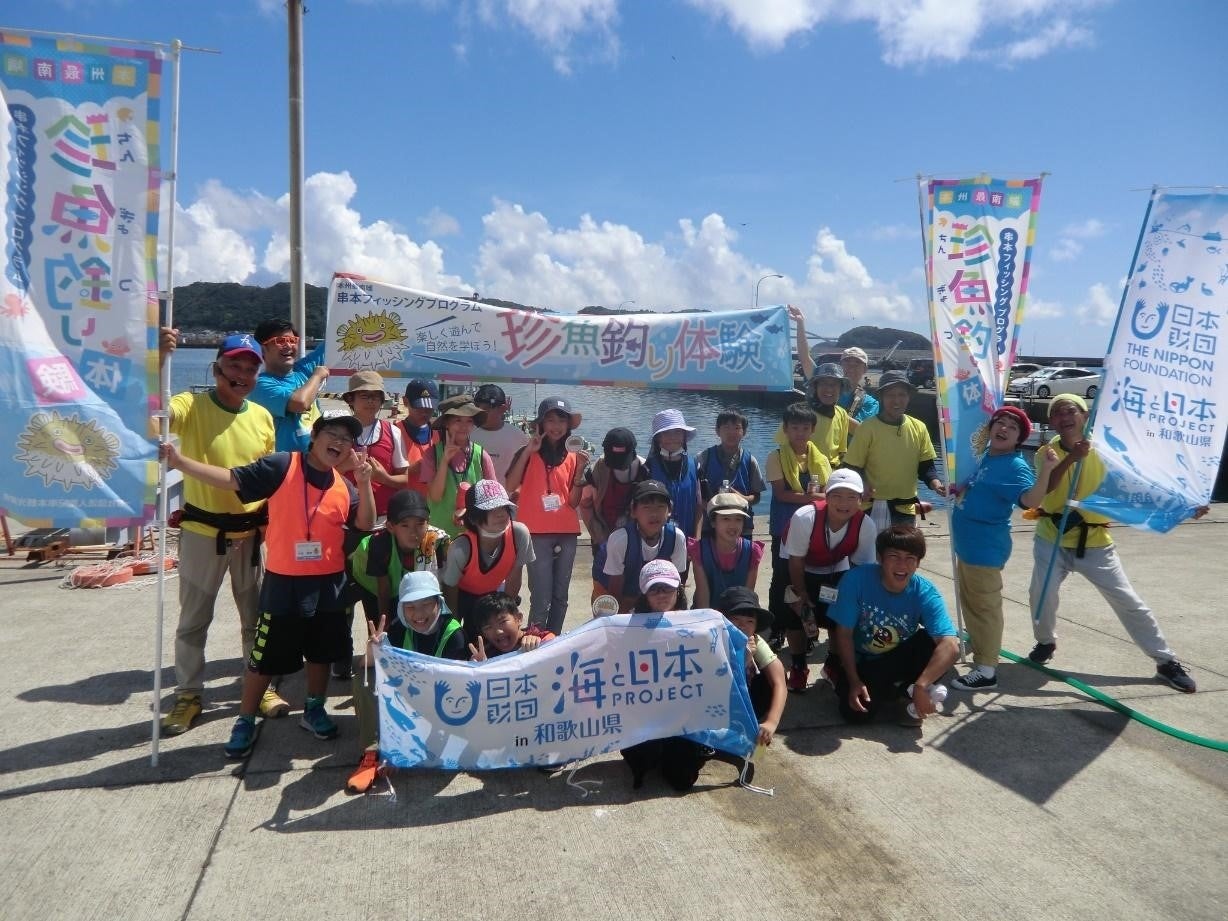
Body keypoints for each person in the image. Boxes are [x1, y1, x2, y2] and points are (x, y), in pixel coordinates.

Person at [161, 414, 377, 759]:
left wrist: (364, 483)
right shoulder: (283, 465)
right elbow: (232, 480)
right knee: (263, 659)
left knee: (320, 653)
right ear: (315, 436)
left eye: (347, 439)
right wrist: (179, 460)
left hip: (329, 583)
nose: (339, 442)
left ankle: (313, 708)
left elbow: (365, 523)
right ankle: (245, 718)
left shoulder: (344, 486)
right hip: (284, 582)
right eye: (331, 434)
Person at [157, 332, 289, 735]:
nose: (243, 375)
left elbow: (266, 479)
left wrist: (270, 527)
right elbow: (155, 412)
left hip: (250, 534)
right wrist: (159, 359)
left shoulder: (262, 417)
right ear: (216, 370)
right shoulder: (190, 404)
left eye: (251, 368)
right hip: (202, 531)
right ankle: (189, 694)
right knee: (194, 620)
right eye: (234, 366)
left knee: (255, 619)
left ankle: (259, 684)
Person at [1026, 394, 1197, 693]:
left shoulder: (1108, 449)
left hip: (1094, 541)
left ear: (1085, 415)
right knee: (1041, 595)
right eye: (1057, 413)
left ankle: (1165, 661)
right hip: (1052, 537)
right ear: (1051, 421)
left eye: (1071, 411)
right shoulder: (1046, 452)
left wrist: (1186, 504)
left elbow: (1143, 480)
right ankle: (1045, 642)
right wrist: (1071, 458)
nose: (1064, 417)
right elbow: (1047, 489)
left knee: (1128, 601)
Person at [949, 407, 1056, 691]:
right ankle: (976, 640)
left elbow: (1030, 500)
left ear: (1019, 438)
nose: (1004, 429)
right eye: (1000, 423)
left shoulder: (1013, 465)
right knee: (971, 601)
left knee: (986, 608)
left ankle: (987, 670)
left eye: (1012, 427)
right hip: (968, 546)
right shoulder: (987, 456)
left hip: (985, 548)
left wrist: (1045, 471)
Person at [347, 570, 467, 793]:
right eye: (410, 607)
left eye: (425, 605)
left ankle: (404, 748)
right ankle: (372, 753)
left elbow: (456, 693)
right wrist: (374, 649)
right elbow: (364, 667)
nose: (418, 614)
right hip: (410, 703)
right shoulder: (400, 626)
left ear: (438, 603)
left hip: (441, 712)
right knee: (366, 678)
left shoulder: (454, 635)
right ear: (402, 608)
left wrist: (402, 747)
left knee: (444, 759)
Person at [828, 526, 959, 725]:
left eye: (910, 558)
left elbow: (950, 645)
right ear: (879, 558)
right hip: (863, 663)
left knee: (933, 644)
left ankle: (912, 694)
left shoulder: (925, 592)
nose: (902, 565)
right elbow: (843, 633)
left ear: (918, 563)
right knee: (855, 715)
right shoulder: (856, 580)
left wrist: (921, 686)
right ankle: (895, 690)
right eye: (894, 556)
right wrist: (854, 680)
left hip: (898, 656)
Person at [782, 468, 877, 691]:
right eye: (837, 496)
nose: (844, 503)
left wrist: (855, 600)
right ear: (826, 495)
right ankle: (798, 666)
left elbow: (862, 568)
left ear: (861, 499)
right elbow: (795, 561)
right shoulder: (805, 517)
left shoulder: (866, 525)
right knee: (795, 614)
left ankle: (832, 664)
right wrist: (802, 594)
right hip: (800, 565)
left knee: (841, 617)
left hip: (837, 567)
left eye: (852, 497)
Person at [619, 558, 707, 791]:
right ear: (644, 594)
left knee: (683, 779)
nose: (661, 594)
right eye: (654, 589)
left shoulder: (697, 624)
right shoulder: (628, 625)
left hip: (682, 716)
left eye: (667, 588)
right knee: (642, 762)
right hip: (643, 712)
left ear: (678, 590)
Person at [505, 398, 588, 635]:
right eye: (550, 420)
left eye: (561, 420)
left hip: (567, 532)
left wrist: (581, 470)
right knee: (540, 593)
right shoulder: (527, 451)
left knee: (561, 595)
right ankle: (535, 640)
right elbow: (510, 485)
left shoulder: (574, 456)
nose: (556, 426)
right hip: (535, 533)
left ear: (568, 425)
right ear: (540, 424)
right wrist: (528, 451)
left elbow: (573, 502)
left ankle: (554, 640)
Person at [765, 402, 832, 688]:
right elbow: (781, 494)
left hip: (813, 530)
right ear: (786, 429)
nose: (800, 433)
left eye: (805, 428)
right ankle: (779, 629)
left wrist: (817, 498)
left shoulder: (820, 457)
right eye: (794, 427)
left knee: (807, 582)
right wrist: (815, 499)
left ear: (813, 430)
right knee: (783, 583)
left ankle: (806, 630)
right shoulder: (776, 456)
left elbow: (829, 490)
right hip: (785, 529)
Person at [843, 369, 945, 527]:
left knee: (900, 552)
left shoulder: (919, 427)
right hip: (870, 507)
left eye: (902, 395)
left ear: (909, 397)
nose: (896, 400)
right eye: (890, 395)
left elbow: (926, 467)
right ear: (881, 397)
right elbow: (851, 467)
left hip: (905, 508)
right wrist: (863, 483)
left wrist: (936, 484)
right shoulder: (867, 428)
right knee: (871, 551)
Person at [440, 479, 534, 641]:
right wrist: (454, 629)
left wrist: (506, 615)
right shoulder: (461, 547)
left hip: (492, 595)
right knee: (461, 640)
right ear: (474, 518)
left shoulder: (519, 534)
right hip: (461, 596)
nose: (501, 513)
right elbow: (450, 589)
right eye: (491, 509)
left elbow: (514, 578)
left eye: (504, 506)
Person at [347, 489, 451, 629]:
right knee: (380, 626)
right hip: (372, 584)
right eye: (405, 525)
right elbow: (383, 591)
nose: (413, 532)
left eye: (420, 524)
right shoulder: (379, 545)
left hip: (405, 582)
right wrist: (384, 627)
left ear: (428, 522)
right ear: (390, 527)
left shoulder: (436, 542)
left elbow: (443, 584)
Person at [596, 480, 690, 613]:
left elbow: (677, 587)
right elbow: (615, 594)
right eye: (646, 507)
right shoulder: (620, 540)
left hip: (654, 597)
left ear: (670, 510)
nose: (654, 514)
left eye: (660, 507)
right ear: (633, 511)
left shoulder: (677, 538)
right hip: (620, 595)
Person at [714, 586, 786, 748]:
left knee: (771, 678)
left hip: (745, 700)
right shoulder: (711, 640)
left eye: (749, 622)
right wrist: (743, 660)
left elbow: (780, 681)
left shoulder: (755, 641)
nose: (742, 627)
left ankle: (755, 720)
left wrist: (771, 722)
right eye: (736, 620)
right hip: (717, 703)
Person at [420, 393, 498, 536]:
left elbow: (492, 498)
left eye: (469, 421)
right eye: (458, 420)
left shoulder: (481, 455)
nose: (464, 426)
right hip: (439, 535)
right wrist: (444, 461)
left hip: (473, 534)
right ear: (447, 423)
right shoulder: (432, 454)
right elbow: (435, 497)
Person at [251, 318, 328, 452]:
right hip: (285, 467)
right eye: (280, 341)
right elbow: (299, 403)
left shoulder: (303, 370)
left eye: (292, 341)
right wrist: (317, 376)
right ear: (262, 349)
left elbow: (335, 342)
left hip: (316, 464)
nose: (288, 346)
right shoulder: (259, 386)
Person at [341, 370, 408, 519]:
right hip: (343, 516)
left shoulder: (393, 431)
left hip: (383, 519)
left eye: (376, 397)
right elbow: (321, 472)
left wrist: (383, 477)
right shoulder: (337, 431)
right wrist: (344, 466)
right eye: (365, 396)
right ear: (351, 399)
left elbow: (404, 479)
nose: (371, 401)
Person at [695, 408, 766, 537]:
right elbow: (695, 493)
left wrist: (742, 498)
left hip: (741, 526)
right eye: (726, 427)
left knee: (741, 556)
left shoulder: (750, 460)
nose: (731, 432)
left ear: (744, 432)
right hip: (710, 525)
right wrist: (713, 508)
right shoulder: (704, 457)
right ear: (717, 431)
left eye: (737, 428)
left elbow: (756, 496)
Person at [689, 492, 764, 609]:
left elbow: (747, 594)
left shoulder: (752, 551)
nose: (732, 525)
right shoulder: (699, 550)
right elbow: (702, 593)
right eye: (726, 519)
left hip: (740, 611)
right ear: (713, 522)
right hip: (708, 611)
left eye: (738, 519)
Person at [579, 427, 647, 546]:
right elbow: (585, 504)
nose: (618, 465)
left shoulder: (645, 470)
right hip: (603, 536)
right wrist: (598, 535)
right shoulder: (596, 471)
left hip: (637, 537)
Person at [645, 409, 703, 539]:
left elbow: (699, 506)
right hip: (655, 540)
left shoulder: (695, 466)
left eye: (677, 432)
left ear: (684, 436)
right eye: (666, 433)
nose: (672, 437)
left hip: (687, 539)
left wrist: (697, 539)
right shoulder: (647, 469)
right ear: (658, 438)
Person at [467, 591, 556, 661]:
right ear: (483, 634)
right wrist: (478, 667)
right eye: (488, 627)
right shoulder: (484, 652)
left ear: (519, 618)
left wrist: (542, 645)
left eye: (502, 621)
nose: (498, 631)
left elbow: (558, 644)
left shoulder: (536, 637)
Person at [470, 384, 529, 483]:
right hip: (474, 497)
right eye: (477, 409)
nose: (479, 413)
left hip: (507, 497)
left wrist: (518, 490)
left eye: (485, 409)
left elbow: (528, 469)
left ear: (502, 409)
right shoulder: (466, 434)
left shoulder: (518, 437)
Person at [399, 379, 439, 497]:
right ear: (406, 402)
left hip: (433, 505)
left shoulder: (441, 434)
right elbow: (383, 474)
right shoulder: (394, 432)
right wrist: (411, 470)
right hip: (405, 504)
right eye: (419, 407)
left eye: (430, 408)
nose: (425, 413)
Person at [837, 346, 879, 432]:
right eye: (847, 363)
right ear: (840, 367)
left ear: (865, 369)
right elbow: (806, 359)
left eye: (857, 364)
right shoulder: (825, 388)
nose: (851, 368)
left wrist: (828, 408)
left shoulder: (871, 403)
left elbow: (861, 431)